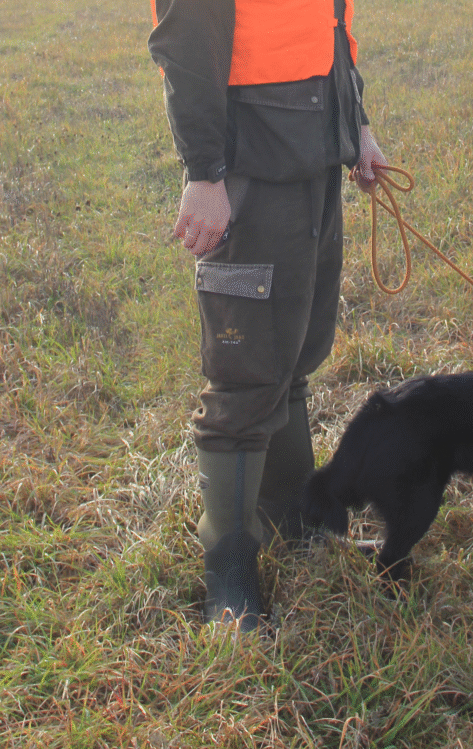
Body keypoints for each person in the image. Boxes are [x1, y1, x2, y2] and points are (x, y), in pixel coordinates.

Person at [149, 0, 386, 632]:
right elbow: (186, 42)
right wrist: (204, 175)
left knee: (296, 356)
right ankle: (229, 571)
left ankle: (295, 525)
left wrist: (354, 127)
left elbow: (331, 24)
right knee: (247, 373)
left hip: (314, 151)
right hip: (248, 162)